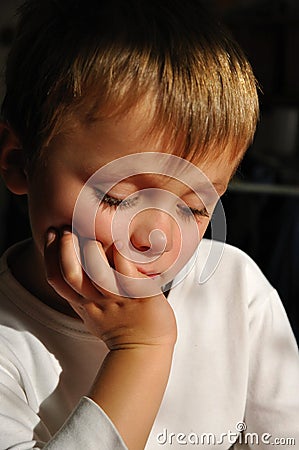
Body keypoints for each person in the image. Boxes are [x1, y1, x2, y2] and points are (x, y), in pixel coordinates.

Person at [0, 0, 298, 449]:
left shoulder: (238, 291)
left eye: (194, 208)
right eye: (118, 196)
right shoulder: (8, 343)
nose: (154, 235)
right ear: (20, 162)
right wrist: (141, 349)